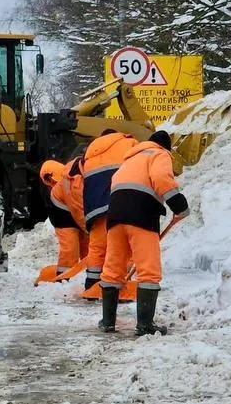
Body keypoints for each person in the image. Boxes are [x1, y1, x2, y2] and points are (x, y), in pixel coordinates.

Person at [99, 130, 189, 336]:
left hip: (115, 215)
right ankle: (145, 324)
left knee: (113, 267)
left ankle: (107, 321)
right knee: (148, 269)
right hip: (141, 215)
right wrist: (179, 205)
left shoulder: (130, 159)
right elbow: (161, 178)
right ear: (166, 146)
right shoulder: (159, 154)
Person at [79, 129, 138, 293]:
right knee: (125, 244)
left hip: (97, 205)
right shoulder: (129, 143)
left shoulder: (90, 153)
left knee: (98, 246)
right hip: (123, 198)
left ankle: (91, 286)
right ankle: (123, 283)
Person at [41, 157, 88, 277]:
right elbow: (78, 209)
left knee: (87, 248)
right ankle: (64, 278)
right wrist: (88, 227)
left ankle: (87, 272)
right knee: (70, 249)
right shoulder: (68, 184)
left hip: (75, 217)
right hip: (63, 221)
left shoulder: (74, 179)